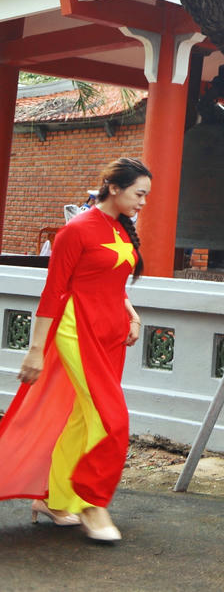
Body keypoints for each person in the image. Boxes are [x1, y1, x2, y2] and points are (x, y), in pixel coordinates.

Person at [0, 158, 152, 542]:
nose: (143, 203)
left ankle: (54, 497)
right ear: (114, 188)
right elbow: (54, 291)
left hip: (111, 334)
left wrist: (131, 315)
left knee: (83, 419)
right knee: (111, 419)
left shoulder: (120, 228)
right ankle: (91, 501)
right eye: (139, 193)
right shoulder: (77, 230)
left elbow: (113, 283)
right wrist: (36, 351)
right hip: (77, 330)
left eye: (147, 196)